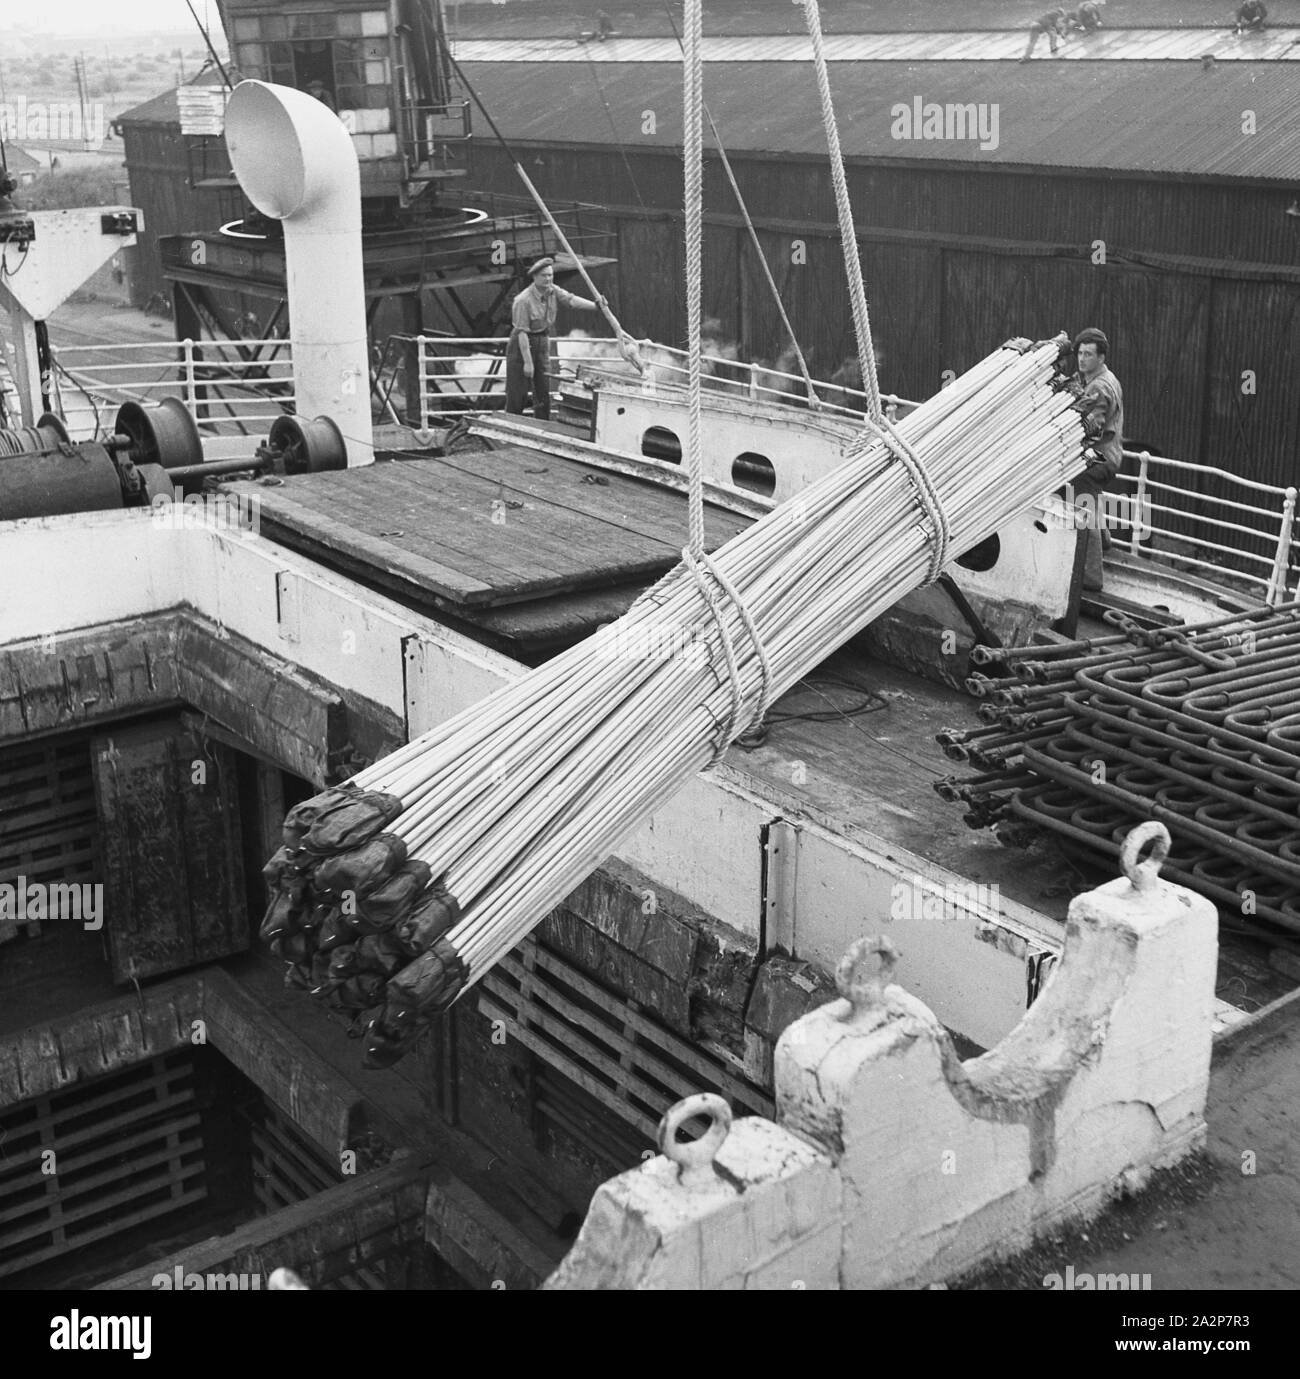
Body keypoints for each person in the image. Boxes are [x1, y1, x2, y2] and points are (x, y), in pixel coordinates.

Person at [506, 257, 604, 420]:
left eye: (551, 275)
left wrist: (595, 306)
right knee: (518, 390)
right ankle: (510, 426)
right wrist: (528, 363)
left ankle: (542, 425)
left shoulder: (552, 290)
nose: (548, 279)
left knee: (543, 387)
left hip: (542, 339)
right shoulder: (522, 300)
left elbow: (571, 300)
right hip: (522, 344)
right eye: (544, 275)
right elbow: (522, 333)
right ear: (535, 277)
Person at [1065, 327, 1124, 590]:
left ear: (1101, 357)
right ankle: (1105, 541)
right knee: (1089, 497)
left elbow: (1090, 425)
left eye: (1089, 354)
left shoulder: (1099, 386)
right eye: (1079, 353)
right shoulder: (1105, 377)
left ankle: (1090, 577)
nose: (1082, 359)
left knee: (1079, 496)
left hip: (1097, 458)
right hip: (1109, 454)